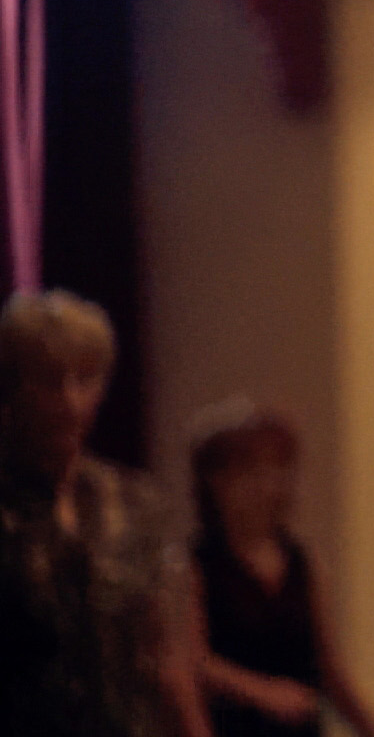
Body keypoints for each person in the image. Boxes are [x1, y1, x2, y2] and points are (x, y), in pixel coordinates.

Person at [0, 288, 212, 737]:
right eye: (49, 380)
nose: (69, 401)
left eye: (85, 379)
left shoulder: (134, 504)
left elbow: (169, 662)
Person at [187, 403, 374, 737]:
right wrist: (262, 691)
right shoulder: (196, 564)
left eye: (277, 468)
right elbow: (192, 661)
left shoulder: (302, 563)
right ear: (214, 481)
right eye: (249, 470)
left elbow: (328, 666)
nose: (267, 484)